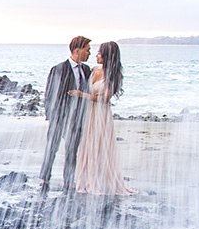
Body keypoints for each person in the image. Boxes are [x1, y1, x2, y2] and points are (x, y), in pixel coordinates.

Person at [69, 41, 135, 195]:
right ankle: (86, 179)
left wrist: (81, 95)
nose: (96, 55)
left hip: (100, 114)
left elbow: (105, 98)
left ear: (107, 55)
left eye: (99, 53)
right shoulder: (94, 69)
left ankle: (100, 180)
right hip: (89, 113)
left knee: (99, 146)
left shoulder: (114, 74)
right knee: (87, 145)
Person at [40, 36, 91, 190]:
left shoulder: (86, 70)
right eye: (87, 50)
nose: (89, 53)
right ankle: (44, 179)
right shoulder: (59, 69)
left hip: (77, 119)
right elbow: (49, 94)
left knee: (72, 151)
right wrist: (52, 117)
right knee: (51, 149)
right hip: (59, 118)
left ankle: (68, 182)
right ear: (77, 50)